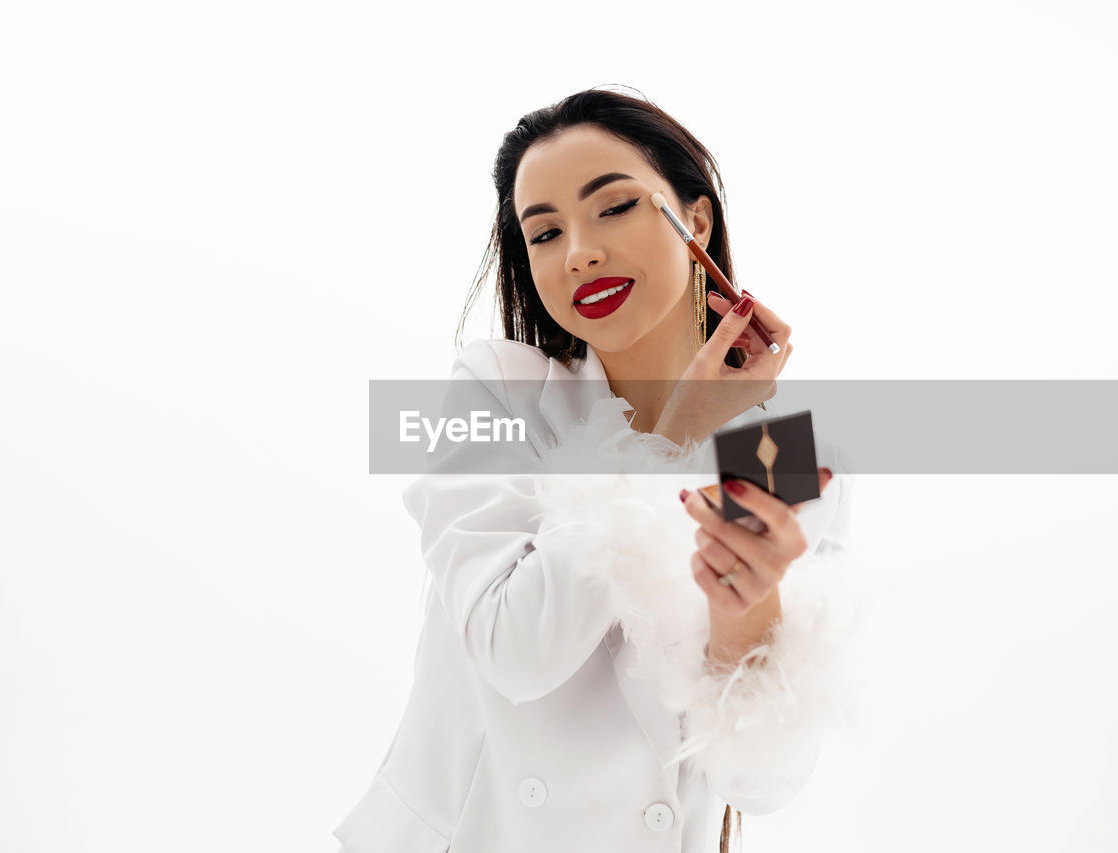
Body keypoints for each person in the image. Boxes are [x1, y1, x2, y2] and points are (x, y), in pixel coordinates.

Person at [334, 86, 856, 853]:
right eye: (543, 233)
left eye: (613, 207)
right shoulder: (498, 388)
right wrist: (671, 437)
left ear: (696, 222)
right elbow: (516, 648)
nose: (577, 250)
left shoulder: (784, 451)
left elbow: (764, 784)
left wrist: (750, 610)